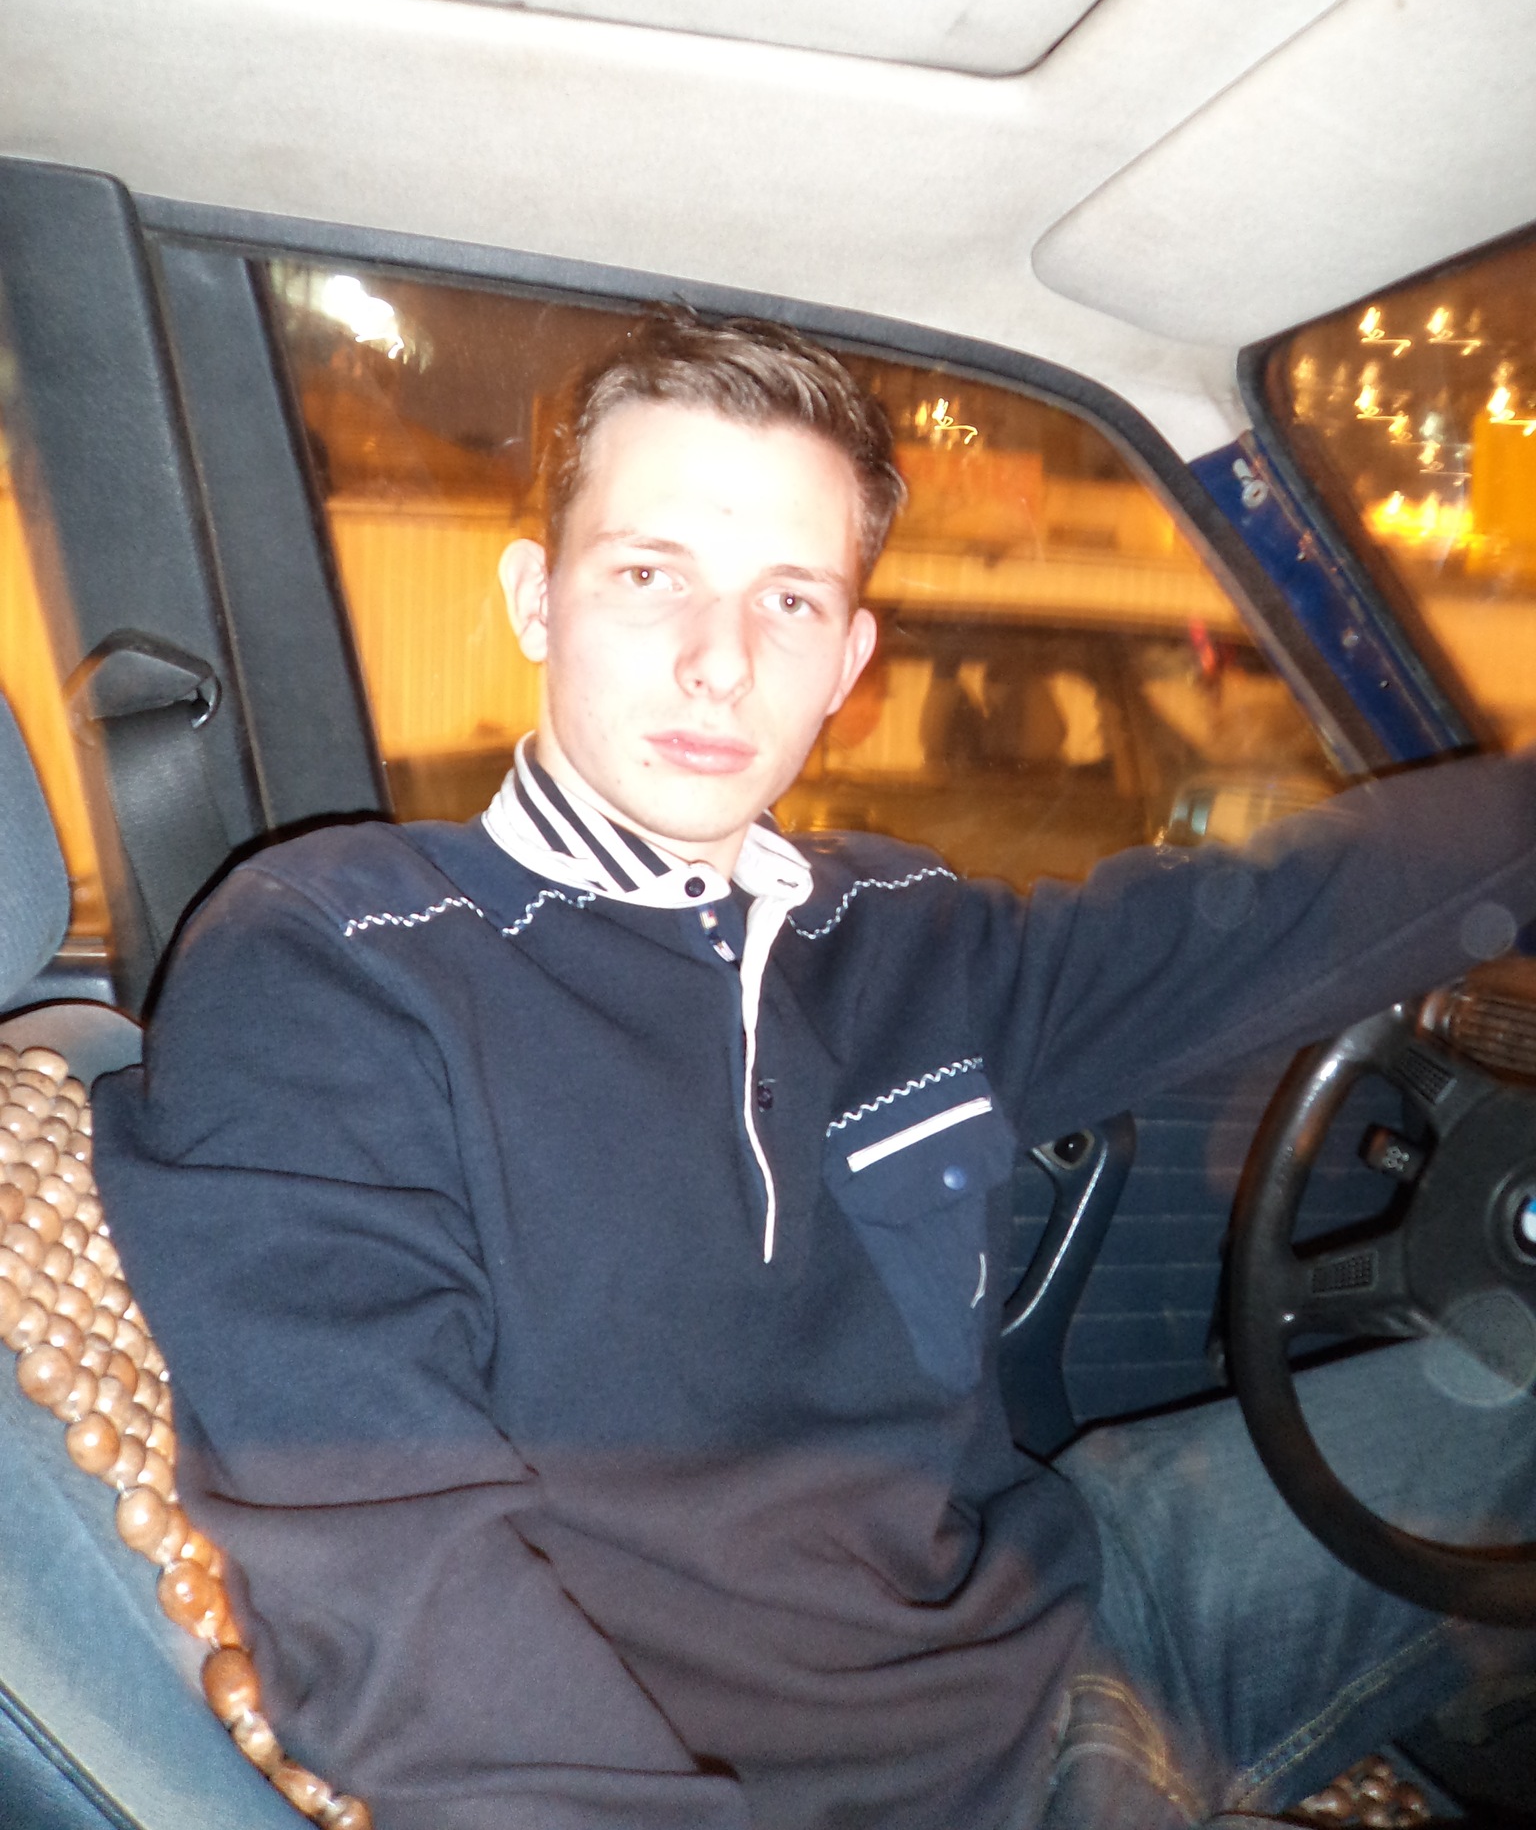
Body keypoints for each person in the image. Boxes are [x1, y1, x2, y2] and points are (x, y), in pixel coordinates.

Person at [94, 313, 1536, 1830]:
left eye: (789, 599)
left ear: (849, 656)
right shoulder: (340, 958)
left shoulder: (896, 926)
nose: (719, 663)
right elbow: (385, 1559)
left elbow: (1275, 919)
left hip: (1081, 1606)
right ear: (535, 599)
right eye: (648, 575)